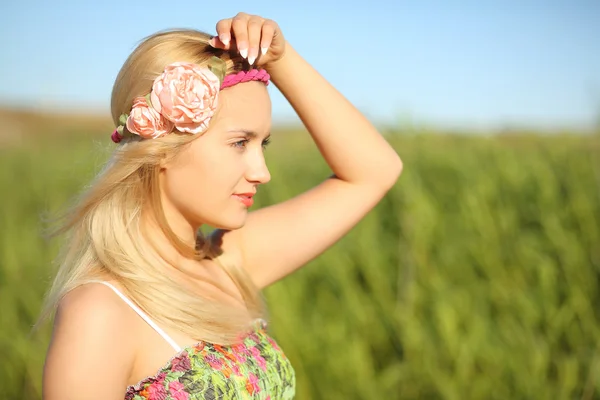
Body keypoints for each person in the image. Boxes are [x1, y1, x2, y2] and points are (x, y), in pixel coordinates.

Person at [40, 12, 403, 400]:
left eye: (261, 144)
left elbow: (375, 172)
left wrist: (281, 59)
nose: (262, 172)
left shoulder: (228, 262)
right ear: (162, 147)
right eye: (238, 143)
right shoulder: (101, 312)